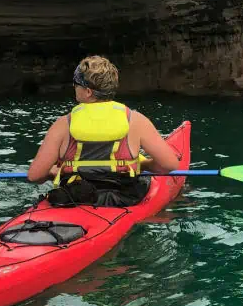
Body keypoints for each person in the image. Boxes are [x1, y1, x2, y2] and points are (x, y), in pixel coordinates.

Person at [27, 55, 181, 206]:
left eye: (76, 83)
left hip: (76, 198)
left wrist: (53, 172)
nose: (74, 87)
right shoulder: (136, 120)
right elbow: (169, 165)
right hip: (123, 198)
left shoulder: (62, 124)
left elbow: (35, 176)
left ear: (88, 91)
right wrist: (144, 165)